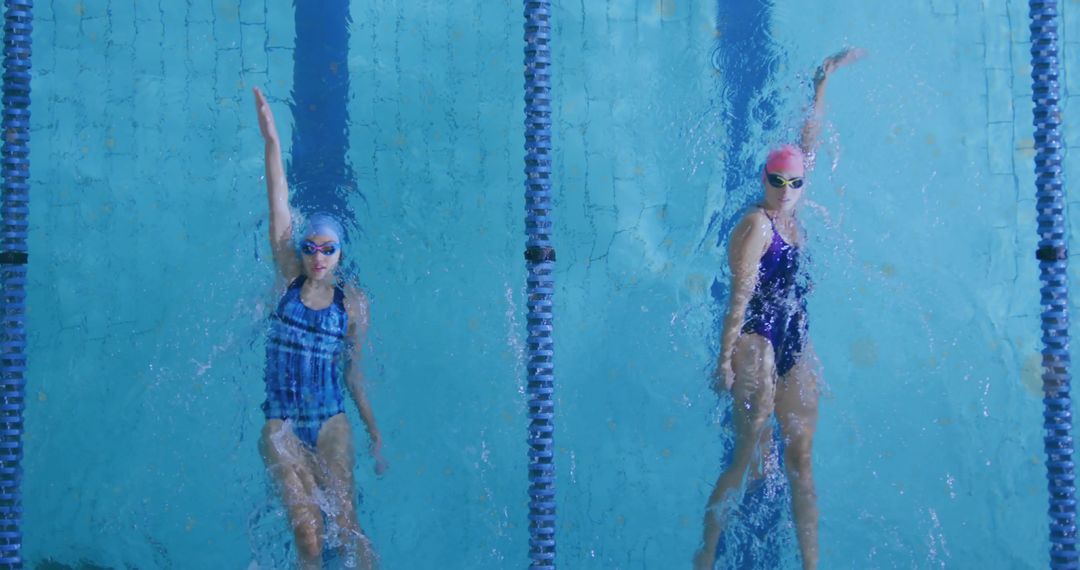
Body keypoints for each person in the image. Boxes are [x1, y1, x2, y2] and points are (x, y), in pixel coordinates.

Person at [694, 48, 865, 570]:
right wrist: (724, 361)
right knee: (747, 455)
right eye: (777, 181)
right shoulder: (757, 226)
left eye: (794, 183)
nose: (786, 190)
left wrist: (821, 84)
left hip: (794, 335)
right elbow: (739, 300)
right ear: (763, 179)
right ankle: (705, 557)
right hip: (756, 339)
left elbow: (807, 145)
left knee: (801, 458)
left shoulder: (796, 211)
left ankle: (813, 565)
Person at [253, 86, 387, 570]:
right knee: (308, 538)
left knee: (347, 528)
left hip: (331, 419)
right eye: (310, 246)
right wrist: (271, 137)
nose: (317, 257)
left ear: (341, 253)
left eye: (328, 249)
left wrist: (373, 430)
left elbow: (354, 374)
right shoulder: (288, 279)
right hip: (281, 422)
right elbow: (279, 204)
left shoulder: (352, 304)